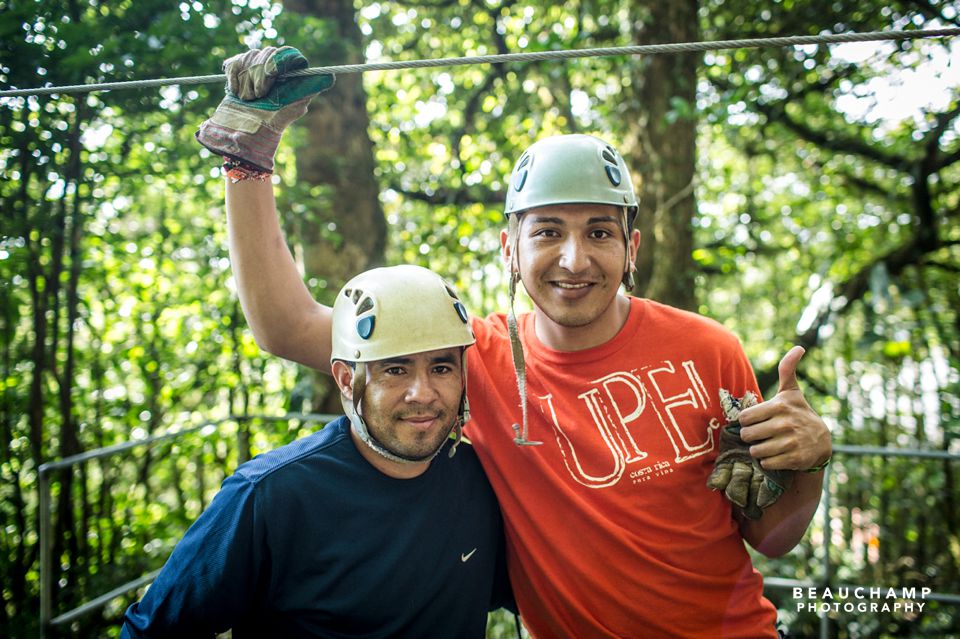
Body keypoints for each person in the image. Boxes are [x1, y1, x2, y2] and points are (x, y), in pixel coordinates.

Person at [201, 46, 833, 637]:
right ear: (511, 248)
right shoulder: (473, 361)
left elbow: (770, 536)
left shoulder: (708, 350)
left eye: (601, 233)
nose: (574, 259)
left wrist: (808, 467)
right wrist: (247, 159)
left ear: (632, 247)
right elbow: (286, 326)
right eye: (548, 232)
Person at [120, 265, 513, 638]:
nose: (423, 393)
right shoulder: (269, 497)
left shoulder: (480, 480)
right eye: (396, 370)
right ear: (346, 379)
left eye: (441, 368)